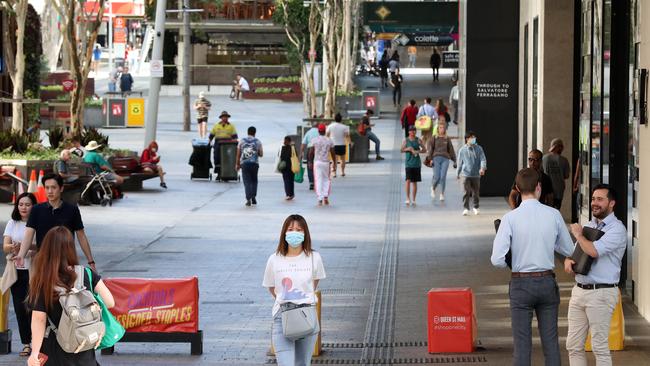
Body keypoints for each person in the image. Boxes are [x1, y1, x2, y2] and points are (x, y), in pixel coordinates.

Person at [491, 168, 575, 366]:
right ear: (539, 187)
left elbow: (496, 259)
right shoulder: (553, 215)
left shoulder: (510, 219)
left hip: (521, 283)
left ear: (517, 189)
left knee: (522, 346)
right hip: (547, 281)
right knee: (551, 343)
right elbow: (568, 249)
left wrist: (512, 262)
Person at [27, 226, 115, 366]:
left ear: (46, 250)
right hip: (84, 345)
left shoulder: (44, 280)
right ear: (70, 248)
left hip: (55, 350)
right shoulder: (86, 273)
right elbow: (110, 302)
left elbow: (39, 319)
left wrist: (34, 353)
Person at [564, 184, 627, 366]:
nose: (595, 203)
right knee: (573, 345)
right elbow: (579, 252)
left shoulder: (617, 229)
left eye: (600, 199)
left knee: (599, 347)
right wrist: (569, 260)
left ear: (612, 203)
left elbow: (593, 251)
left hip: (601, 293)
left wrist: (578, 235)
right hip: (579, 291)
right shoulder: (590, 225)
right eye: (593, 199)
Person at [263, 214, 326, 366]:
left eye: (299, 229)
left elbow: (313, 285)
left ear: (305, 233)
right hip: (282, 316)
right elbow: (272, 288)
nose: (294, 233)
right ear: (284, 233)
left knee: (302, 363)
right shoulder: (274, 259)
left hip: (307, 317)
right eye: (290, 229)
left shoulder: (314, 257)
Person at [15, 174, 96, 271]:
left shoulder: (72, 209)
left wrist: (90, 261)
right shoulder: (37, 209)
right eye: (47, 188)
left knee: (67, 286)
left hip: (67, 261)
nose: (50, 191)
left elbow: (81, 236)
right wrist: (21, 255)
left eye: (53, 187)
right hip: (43, 260)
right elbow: (28, 234)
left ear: (61, 188)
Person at [3, 193, 37, 357]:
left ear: (34, 206)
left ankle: (38, 343)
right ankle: (26, 344)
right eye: (21, 204)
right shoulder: (12, 223)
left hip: (34, 271)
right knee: (20, 309)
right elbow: (5, 247)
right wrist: (13, 247)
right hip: (16, 272)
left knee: (35, 308)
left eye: (27, 204)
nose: (23, 207)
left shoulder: (38, 222)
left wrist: (27, 248)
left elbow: (42, 245)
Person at [425, 119, 456, 202]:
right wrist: (430, 159)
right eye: (440, 128)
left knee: (443, 177)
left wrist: (454, 160)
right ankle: (433, 187)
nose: (442, 129)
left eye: (443, 128)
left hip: (445, 159)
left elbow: (451, 150)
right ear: (438, 129)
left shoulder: (447, 139)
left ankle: (442, 193)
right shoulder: (434, 138)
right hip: (436, 158)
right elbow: (430, 149)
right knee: (437, 176)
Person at [456, 131, 487, 216]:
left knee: (476, 192)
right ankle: (466, 208)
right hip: (465, 174)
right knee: (466, 192)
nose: (473, 139)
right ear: (467, 139)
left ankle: (476, 207)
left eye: (474, 137)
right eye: (472, 138)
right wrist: (457, 173)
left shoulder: (479, 148)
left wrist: (482, 168)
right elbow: (459, 163)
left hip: (476, 175)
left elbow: (483, 159)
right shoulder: (462, 150)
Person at [236, 126, 263, 207]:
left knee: (247, 182)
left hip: (245, 164)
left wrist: (237, 164)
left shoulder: (242, 141)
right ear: (255, 133)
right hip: (254, 164)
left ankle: (248, 199)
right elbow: (261, 154)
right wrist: (256, 152)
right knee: (254, 181)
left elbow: (238, 154)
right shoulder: (258, 141)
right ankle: (253, 196)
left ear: (247, 132)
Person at [543, 138, 571, 209]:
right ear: (557, 147)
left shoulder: (544, 158)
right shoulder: (564, 160)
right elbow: (566, 175)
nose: (562, 148)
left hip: (545, 190)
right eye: (561, 146)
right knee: (556, 210)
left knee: (546, 210)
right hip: (558, 190)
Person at [311, 124, 335, 206]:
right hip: (326, 162)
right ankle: (325, 196)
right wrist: (334, 162)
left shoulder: (314, 140)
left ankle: (320, 199)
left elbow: (311, 151)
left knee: (318, 180)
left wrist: (310, 161)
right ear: (325, 131)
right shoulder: (329, 140)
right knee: (326, 179)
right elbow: (332, 152)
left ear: (318, 131)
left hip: (317, 162)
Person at [209, 111, 238, 175]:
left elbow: (235, 136)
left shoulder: (231, 126)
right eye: (223, 117)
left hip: (228, 144)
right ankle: (219, 173)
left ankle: (227, 172)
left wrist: (235, 143)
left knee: (226, 158)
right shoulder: (216, 126)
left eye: (226, 117)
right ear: (221, 118)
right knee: (217, 157)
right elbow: (211, 135)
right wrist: (209, 142)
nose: (225, 118)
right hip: (218, 143)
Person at [402, 126, 424, 206]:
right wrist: (409, 149)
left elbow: (424, 149)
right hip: (408, 163)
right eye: (411, 131)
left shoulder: (418, 140)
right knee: (408, 180)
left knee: (414, 182)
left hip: (416, 163)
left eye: (414, 131)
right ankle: (408, 198)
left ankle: (414, 199)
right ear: (409, 132)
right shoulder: (406, 140)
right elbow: (401, 149)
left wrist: (417, 151)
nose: (413, 132)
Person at [301, 123, 320, 191]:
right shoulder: (319, 132)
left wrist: (302, 153)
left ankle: (311, 183)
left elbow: (303, 144)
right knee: (318, 166)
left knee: (310, 166)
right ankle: (318, 182)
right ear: (317, 126)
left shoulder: (308, 132)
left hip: (310, 150)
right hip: (318, 150)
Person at [279, 136, 296, 200]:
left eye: (285, 141)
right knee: (291, 181)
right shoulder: (292, 148)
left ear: (288, 141)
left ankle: (288, 194)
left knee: (286, 181)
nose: (284, 142)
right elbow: (295, 156)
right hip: (291, 166)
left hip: (285, 167)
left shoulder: (283, 148)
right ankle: (291, 194)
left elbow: (281, 157)